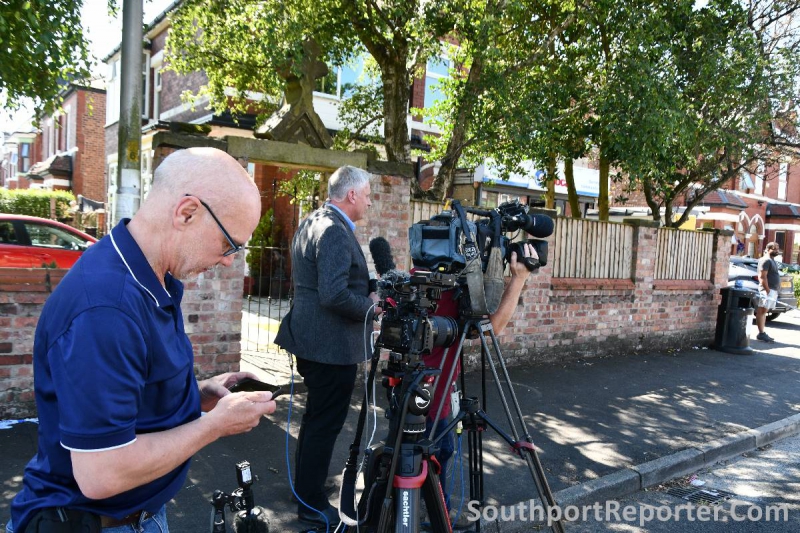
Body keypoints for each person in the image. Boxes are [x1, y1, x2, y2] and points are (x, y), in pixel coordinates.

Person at [7, 147, 278, 533]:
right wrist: (215, 425)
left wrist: (198, 397)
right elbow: (103, 474)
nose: (229, 260)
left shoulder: (148, 278)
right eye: (230, 244)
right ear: (187, 213)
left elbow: (131, 391)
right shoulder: (106, 309)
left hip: (135, 517)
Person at [274, 165, 380, 527]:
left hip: (313, 341)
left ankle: (305, 490)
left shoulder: (313, 220)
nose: (368, 202)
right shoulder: (334, 230)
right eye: (366, 195)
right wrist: (372, 307)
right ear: (351, 195)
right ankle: (312, 503)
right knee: (324, 424)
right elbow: (333, 294)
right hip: (330, 347)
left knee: (316, 420)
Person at [423, 243, 538, 528]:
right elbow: (494, 326)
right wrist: (519, 277)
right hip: (433, 395)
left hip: (415, 388)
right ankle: (437, 519)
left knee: (425, 452)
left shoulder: (420, 277)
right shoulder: (453, 288)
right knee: (435, 452)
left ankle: (434, 513)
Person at [754, 242, 781, 343]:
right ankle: (761, 333)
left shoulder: (772, 260)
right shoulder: (765, 260)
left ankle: (762, 333)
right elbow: (762, 277)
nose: (777, 250)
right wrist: (767, 290)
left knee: (764, 311)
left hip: (772, 290)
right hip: (767, 291)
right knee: (761, 311)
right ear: (768, 249)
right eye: (774, 249)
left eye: (777, 248)